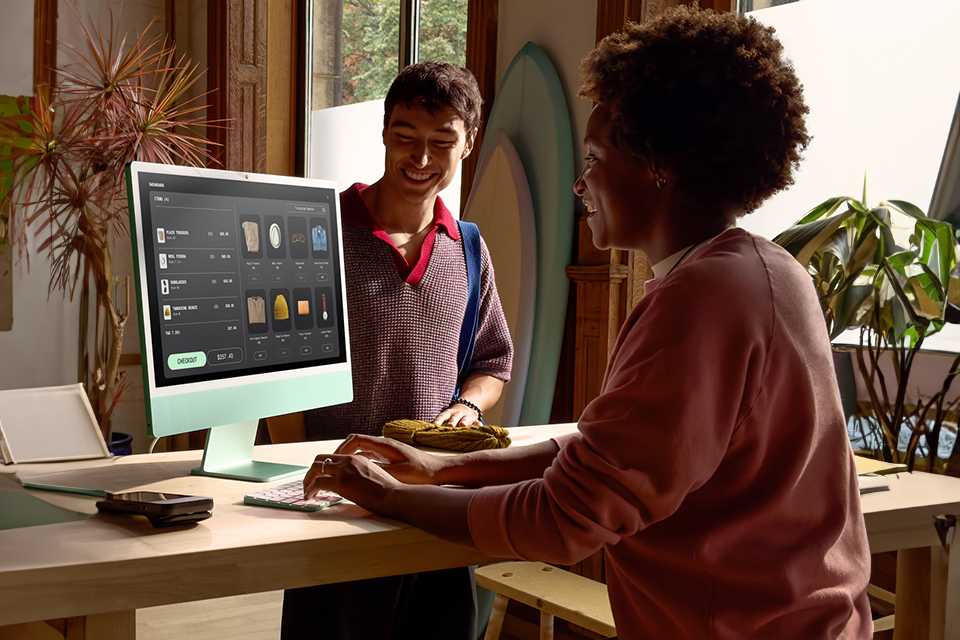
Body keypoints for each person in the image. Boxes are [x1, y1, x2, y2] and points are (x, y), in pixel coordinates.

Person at [303, 7, 873, 639]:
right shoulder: (763, 271)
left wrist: (388, 496)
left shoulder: (702, 299)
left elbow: (565, 516)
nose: (582, 184)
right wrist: (442, 468)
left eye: (596, 158)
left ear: (657, 166)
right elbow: (604, 458)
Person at [281, 63, 513, 639]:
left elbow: (492, 360)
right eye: (406, 136)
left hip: (435, 501)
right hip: (337, 501)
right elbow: (278, 366)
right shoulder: (321, 231)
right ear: (384, 132)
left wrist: (470, 406)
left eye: (442, 142)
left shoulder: (470, 249)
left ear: (468, 142)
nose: (421, 157)